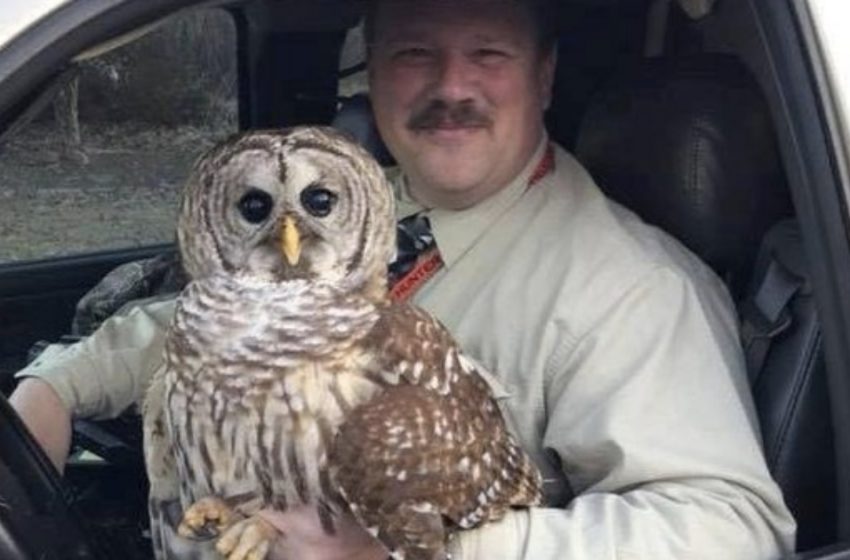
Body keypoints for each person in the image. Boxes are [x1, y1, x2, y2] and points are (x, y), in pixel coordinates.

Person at [10, 0, 796, 558]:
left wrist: (429, 547)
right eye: (416, 53)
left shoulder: (633, 289)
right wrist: (61, 385)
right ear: (374, 77)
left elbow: (730, 530)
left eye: (489, 52)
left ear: (545, 77)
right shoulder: (355, 204)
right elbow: (231, 320)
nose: (452, 86)